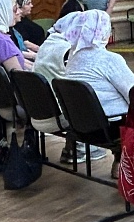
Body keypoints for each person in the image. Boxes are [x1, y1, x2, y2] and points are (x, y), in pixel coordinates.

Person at [63, 10, 134, 178]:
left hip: (78, 125)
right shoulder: (110, 59)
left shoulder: (73, 57)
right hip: (106, 129)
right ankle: (123, 163)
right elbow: (133, 93)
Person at [32, 12, 110, 166]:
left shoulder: (47, 43)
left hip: (37, 112)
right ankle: (80, 148)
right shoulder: (68, 49)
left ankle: (72, 147)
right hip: (58, 115)